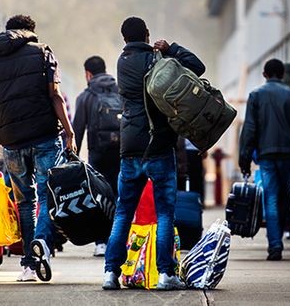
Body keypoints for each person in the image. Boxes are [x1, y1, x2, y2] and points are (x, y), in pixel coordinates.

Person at [102, 16, 205, 290]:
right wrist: (171, 49)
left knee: (123, 212)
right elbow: (198, 67)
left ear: (124, 38)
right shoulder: (158, 61)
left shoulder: (121, 63)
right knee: (164, 214)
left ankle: (111, 274)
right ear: (147, 34)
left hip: (130, 148)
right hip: (158, 146)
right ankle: (164, 275)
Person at [0, 15, 76, 282]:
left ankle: (29, 265)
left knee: (24, 202)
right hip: (44, 136)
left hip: (10, 142)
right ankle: (42, 243)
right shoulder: (42, 52)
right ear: (29, 33)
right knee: (46, 195)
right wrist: (69, 131)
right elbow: (55, 94)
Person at [239, 59, 290, 261]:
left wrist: (244, 158)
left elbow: (250, 129)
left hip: (267, 156)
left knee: (271, 199)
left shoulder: (255, 96)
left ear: (264, 74)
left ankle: (275, 246)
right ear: (282, 75)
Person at [73, 56, 121, 257]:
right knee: (120, 196)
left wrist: (73, 156)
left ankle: (101, 242)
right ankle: (119, 239)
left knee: (99, 197)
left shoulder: (86, 96)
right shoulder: (121, 91)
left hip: (98, 154)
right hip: (121, 151)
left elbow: (77, 130)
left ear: (88, 74)